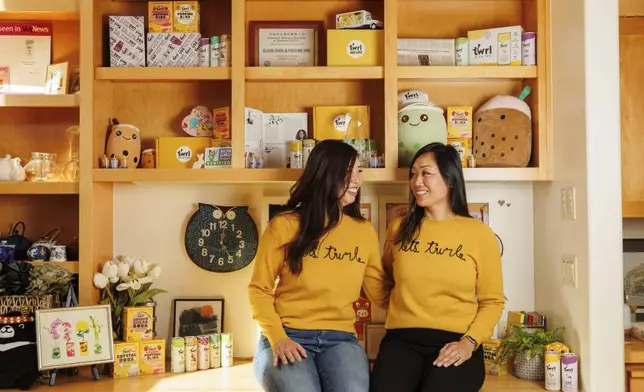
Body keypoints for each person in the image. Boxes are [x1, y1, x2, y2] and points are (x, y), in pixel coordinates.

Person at [248, 139, 390, 392]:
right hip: (287, 334)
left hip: (341, 340)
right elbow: (258, 289)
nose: (357, 179)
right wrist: (278, 338)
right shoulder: (284, 225)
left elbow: (380, 292)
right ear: (326, 174)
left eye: (359, 171)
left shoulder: (363, 231)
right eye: (349, 172)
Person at [370, 142, 505, 392]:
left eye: (426, 173)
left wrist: (468, 343)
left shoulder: (479, 234)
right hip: (401, 342)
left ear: (450, 178)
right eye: (413, 174)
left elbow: (493, 301)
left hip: (457, 342)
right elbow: (385, 283)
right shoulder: (399, 229)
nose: (416, 181)